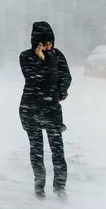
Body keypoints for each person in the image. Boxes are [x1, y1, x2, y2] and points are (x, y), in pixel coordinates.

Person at [19, 22, 72, 199]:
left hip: (51, 108)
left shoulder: (57, 55)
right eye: (45, 43)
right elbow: (34, 79)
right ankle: (39, 185)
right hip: (31, 108)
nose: (50, 46)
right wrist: (44, 58)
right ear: (37, 42)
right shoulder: (26, 57)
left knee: (57, 149)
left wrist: (60, 92)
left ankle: (60, 186)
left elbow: (66, 76)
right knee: (37, 150)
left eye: (51, 42)